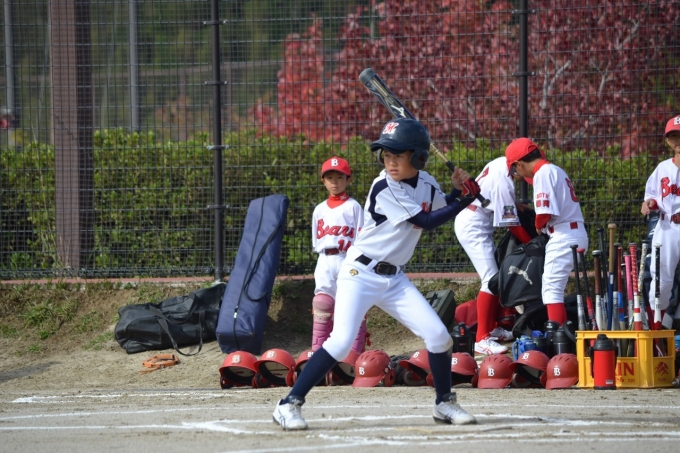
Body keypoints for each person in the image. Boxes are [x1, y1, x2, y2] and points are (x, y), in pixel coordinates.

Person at [272, 117, 480, 430]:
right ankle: (288, 405)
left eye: (398, 155)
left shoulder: (426, 182)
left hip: (394, 279)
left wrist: (457, 190)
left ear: (418, 158)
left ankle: (444, 403)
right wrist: (466, 199)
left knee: (438, 336)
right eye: (386, 155)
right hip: (360, 273)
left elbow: (440, 205)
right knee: (341, 343)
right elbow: (426, 221)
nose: (390, 162)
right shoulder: (384, 185)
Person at [454, 156, 534, 355]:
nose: (524, 178)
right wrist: (532, 245)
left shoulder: (502, 162)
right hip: (473, 225)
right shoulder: (504, 183)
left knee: (497, 278)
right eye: (525, 172)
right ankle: (482, 338)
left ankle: (490, 329)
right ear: (517, 165)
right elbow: (512, 225)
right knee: (490, 279)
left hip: (476, 218)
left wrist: (515, 204)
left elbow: (494, 194)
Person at [505, 137, 588, 325]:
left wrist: (537, 226)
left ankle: (558, 336)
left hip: (563, 235)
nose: (516, 173)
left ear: (518, 164)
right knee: (554, 289)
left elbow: (544, 212)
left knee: (551, 291)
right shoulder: (554, 169)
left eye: (514, 169)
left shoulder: (542, 173)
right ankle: (561, 333)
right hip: (573, 232)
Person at [311, 156, 367, 353]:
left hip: (347, 258)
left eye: (340, 177)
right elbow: (316, 240)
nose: (334, 182)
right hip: (325, 258)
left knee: (352, 303)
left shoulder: (353, 206)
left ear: (348, 180)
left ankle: (352, 354)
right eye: (330, 177)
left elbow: (361, 236)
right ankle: (319, 353)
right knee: (322, 303)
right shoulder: (319, 209)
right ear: (323, 181)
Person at [640, 115, 680, 329]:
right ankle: (656, 333)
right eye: (674, 136)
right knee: (661, 280)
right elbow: (653, 197)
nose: (678, 140)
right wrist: (649, 203)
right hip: (667, 226)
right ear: (667, 141)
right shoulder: (662, 168)